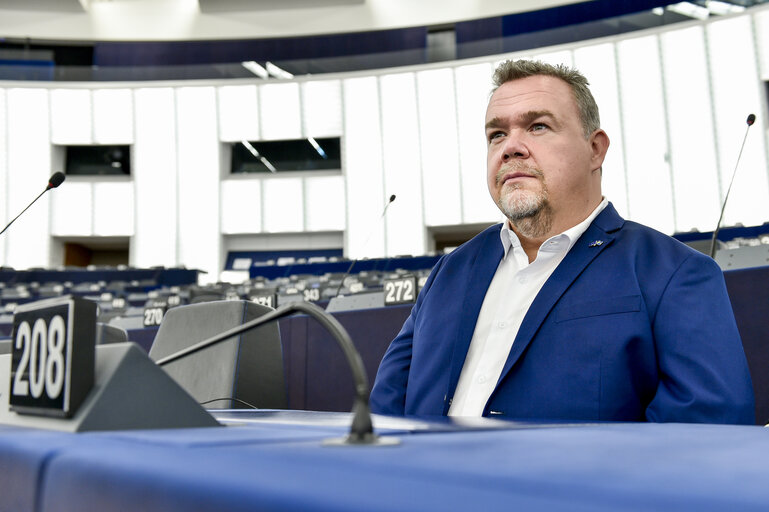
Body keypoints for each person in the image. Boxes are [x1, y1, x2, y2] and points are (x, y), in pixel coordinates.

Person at [369, 59, 755, 424]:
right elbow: (386, 406)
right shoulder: (448, 272)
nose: (510, 147)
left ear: (595, 149)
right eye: (497, 134)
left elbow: (705, 430)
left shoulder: (674, 273)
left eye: (537, 126)